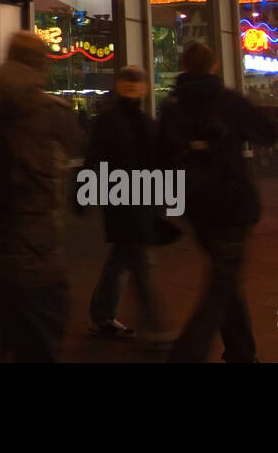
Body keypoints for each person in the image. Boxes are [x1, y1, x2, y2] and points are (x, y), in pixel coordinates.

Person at [0, 31, 84, 363]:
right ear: (42, 65)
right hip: (35, 266)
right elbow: (80, 158)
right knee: (38, 349)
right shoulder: (55, 114)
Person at [159, 42, 277, 364]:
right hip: (232, 202)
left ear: (183, 65)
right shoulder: (228, 101)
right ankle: (186, 354)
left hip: (195, 206)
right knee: (222, 283)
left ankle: (242, 353)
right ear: (214, 66)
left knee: (225, 278)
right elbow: (268, 132)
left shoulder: (172, 105)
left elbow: (159, 155)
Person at [86, 65, 171, 346]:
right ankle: (156, 330)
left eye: (137, 82)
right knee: (141, 261)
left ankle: (102, 315)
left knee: (122, 259)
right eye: (129, 82)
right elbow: (95, 158)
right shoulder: (123, 122)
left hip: (133, 202)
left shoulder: (138, 122)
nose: (133, 86)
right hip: (125, 202)